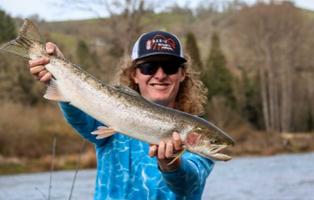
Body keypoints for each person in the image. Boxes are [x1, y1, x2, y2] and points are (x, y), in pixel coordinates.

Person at [29, 31, 214, 199]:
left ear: (182, 74)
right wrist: (57, 69)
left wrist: (171, 164)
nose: (160, 75)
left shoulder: (199, 132)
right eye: (149, 67)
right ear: (134, 75)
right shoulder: (109, 113)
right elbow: (79, 118)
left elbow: (189, 186)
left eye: (170, 67)